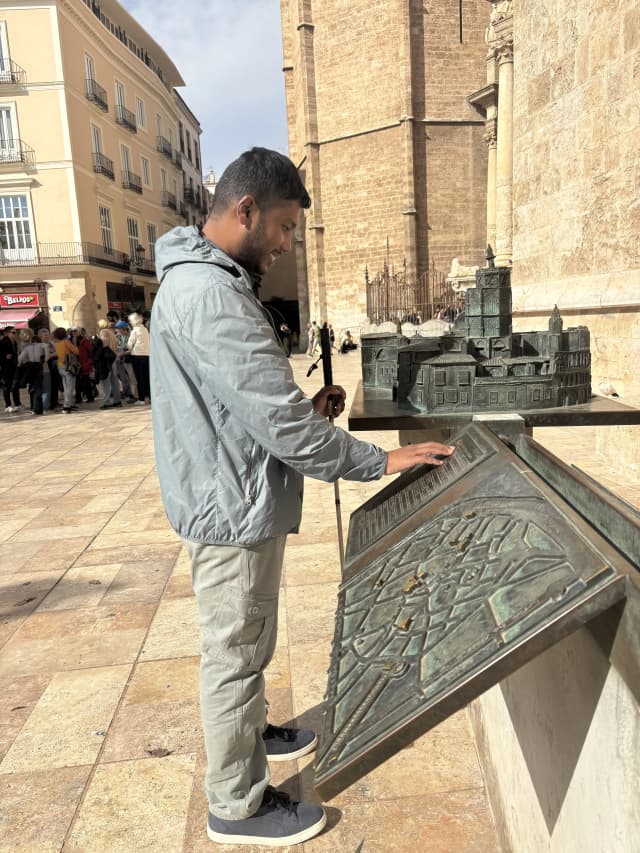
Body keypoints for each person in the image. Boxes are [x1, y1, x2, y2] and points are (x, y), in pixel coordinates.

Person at [150, 147, 454, 849]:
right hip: (229, 511)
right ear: (246, 210)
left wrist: (310, 409)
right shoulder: (209, 295)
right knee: (233, 650)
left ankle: (253, 731)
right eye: (284, 227)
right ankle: (237, 803)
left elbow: (250, 412)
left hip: (233, 491)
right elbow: (277, 425)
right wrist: (379, 459)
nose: (287, 246)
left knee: (248, 639)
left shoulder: (210, 285)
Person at [17, 333, 45, 414]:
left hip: (30, 369)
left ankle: (34, 407)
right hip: (37, 369)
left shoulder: (28, 348)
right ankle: (37, 409)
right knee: (37, 388)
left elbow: (21, 358)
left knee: (33, 388)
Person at [52, 327, 79, 414]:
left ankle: (69, 403)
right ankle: (66, 406)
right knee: (70, 387)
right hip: (69, 366)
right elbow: (76, 351)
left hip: (61, 366)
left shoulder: (57, 344)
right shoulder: (66, 342)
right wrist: (74, 342)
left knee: (66, 386)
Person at [97, 319, 121, 408]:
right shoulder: (111, 332)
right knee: (114, 380)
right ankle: (117, 400)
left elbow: (104, 343)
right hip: (113, 357)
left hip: (106, 359)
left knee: (105, 380)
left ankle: (106, 401)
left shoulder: (103, 332)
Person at [127, 313, 150, 404]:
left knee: (139, 378)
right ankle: (149, 396)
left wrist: (129, 349)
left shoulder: (135, 331)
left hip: (137, 356)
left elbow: (129, 344)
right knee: (146, 377)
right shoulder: (145, 330)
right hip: (147, 355)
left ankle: (141, 398)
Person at [0, 326, 21, 412]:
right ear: (7, 333)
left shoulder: (14, 342)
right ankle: (7, 405)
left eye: (15, 332)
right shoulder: (3, 342)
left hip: (14, 366)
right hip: (6, 368)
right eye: (13, 332)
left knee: (15, 385)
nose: (15, 334)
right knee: (7, 386)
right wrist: (5, 357)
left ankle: (17, 403)